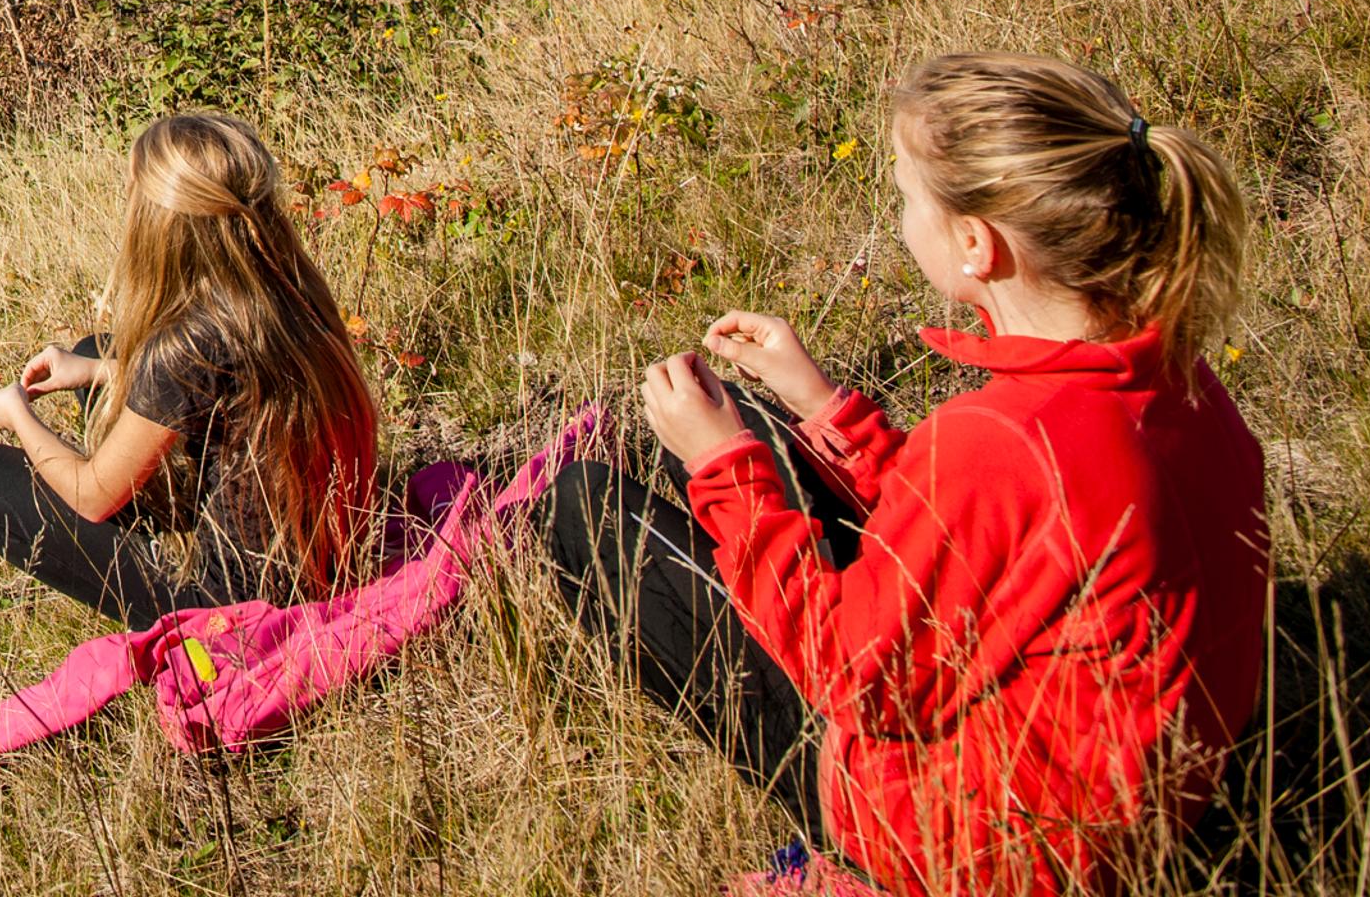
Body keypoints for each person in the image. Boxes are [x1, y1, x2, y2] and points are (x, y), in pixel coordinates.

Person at [542, 53, 1267, 897]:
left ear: (974, 243)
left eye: (906, 198)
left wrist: (724, 470)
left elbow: (852, 679)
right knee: (759, 428)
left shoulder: (997, 438)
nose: (900, 217)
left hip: (984, 848)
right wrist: (815, 404)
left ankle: (854, 867)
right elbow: (982, 537)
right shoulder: (1166, 377)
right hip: (1129, 799)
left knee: (580, 513)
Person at [0, 112, 380, 624]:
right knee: (101, 348)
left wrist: (18, 414)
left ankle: (161, 572)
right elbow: (227, 384)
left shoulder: (189, 342)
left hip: (232, 607)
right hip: (314, 548)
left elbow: (92, 496)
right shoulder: (284, 288)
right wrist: (98, 368)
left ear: (161, 218)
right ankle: (149, 480)